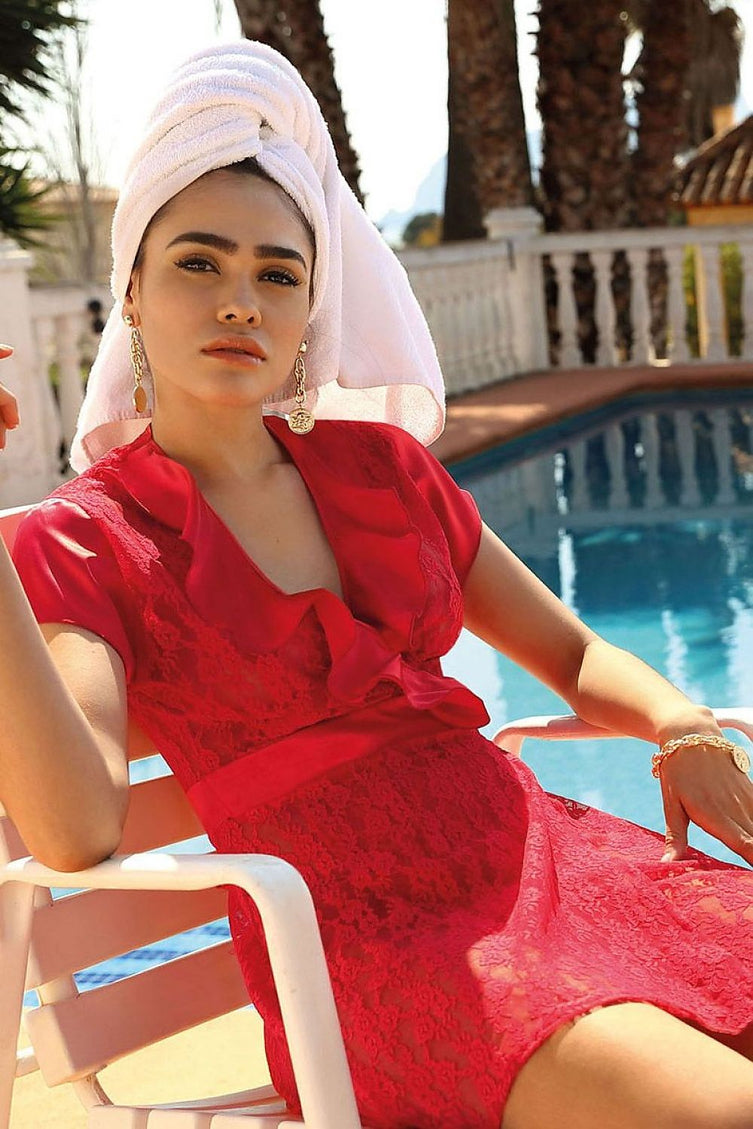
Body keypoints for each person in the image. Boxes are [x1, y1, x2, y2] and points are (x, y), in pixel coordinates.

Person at [1, 41, 753, 1129]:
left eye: (277, 272)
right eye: (198, 263)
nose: (241, 303)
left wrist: (681, 725)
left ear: (314, 305)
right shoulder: (91, 540)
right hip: (369, 948)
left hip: (550, 860)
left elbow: (578, 654)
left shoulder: (385, 474)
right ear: (133, 288)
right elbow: (73, 833)